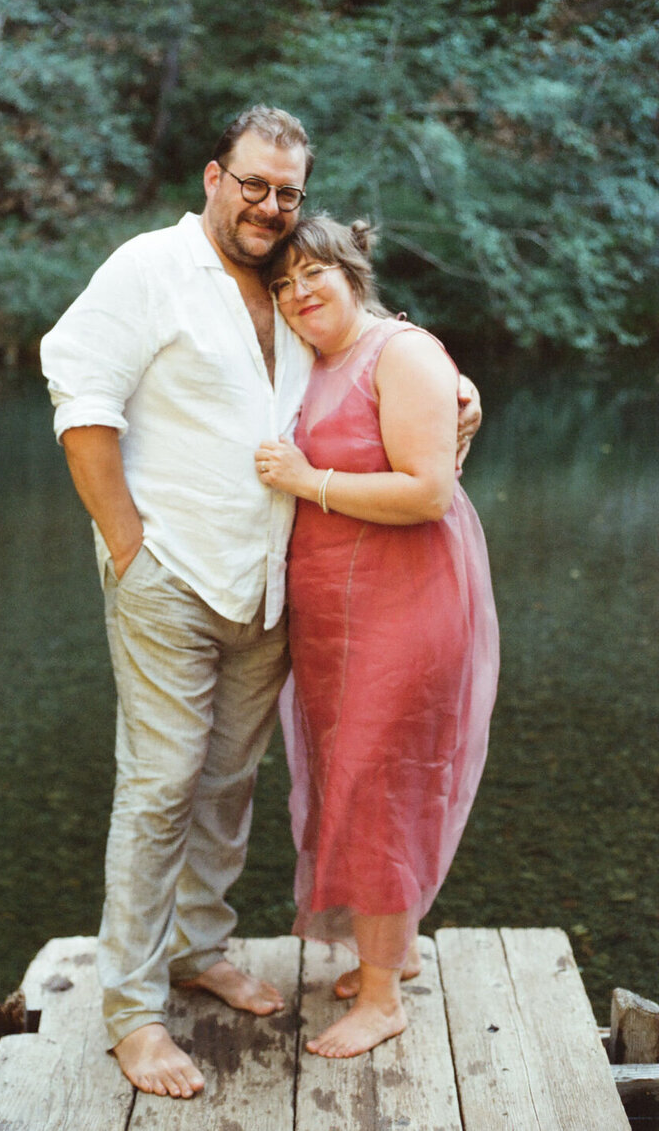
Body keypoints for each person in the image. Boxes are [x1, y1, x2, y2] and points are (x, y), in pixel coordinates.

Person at [40, 106, 482, 1099]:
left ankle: (198, 943)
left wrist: (461, 391)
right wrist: (125, 545)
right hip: (169, 572)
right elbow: (80, 396)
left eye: (286, 191)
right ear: (211, 176)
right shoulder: (148, 268)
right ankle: (133, 1012)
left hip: (268, 584)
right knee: (159, 786)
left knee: (230, 780)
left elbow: (374, 372)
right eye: (252, 184)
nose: (269, 206)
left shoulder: (287, 289)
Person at [255, 216, 499, 1059]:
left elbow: (429, 491)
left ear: (354, 270)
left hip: (408, 601)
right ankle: (385, 953)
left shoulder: (402, 352)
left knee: (384, 776)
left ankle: (386, 995)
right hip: (335, 613)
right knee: (347, 776)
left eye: (315, 271)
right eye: (283, 284)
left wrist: (306, 479)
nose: (300, 293)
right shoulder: (314, 363)